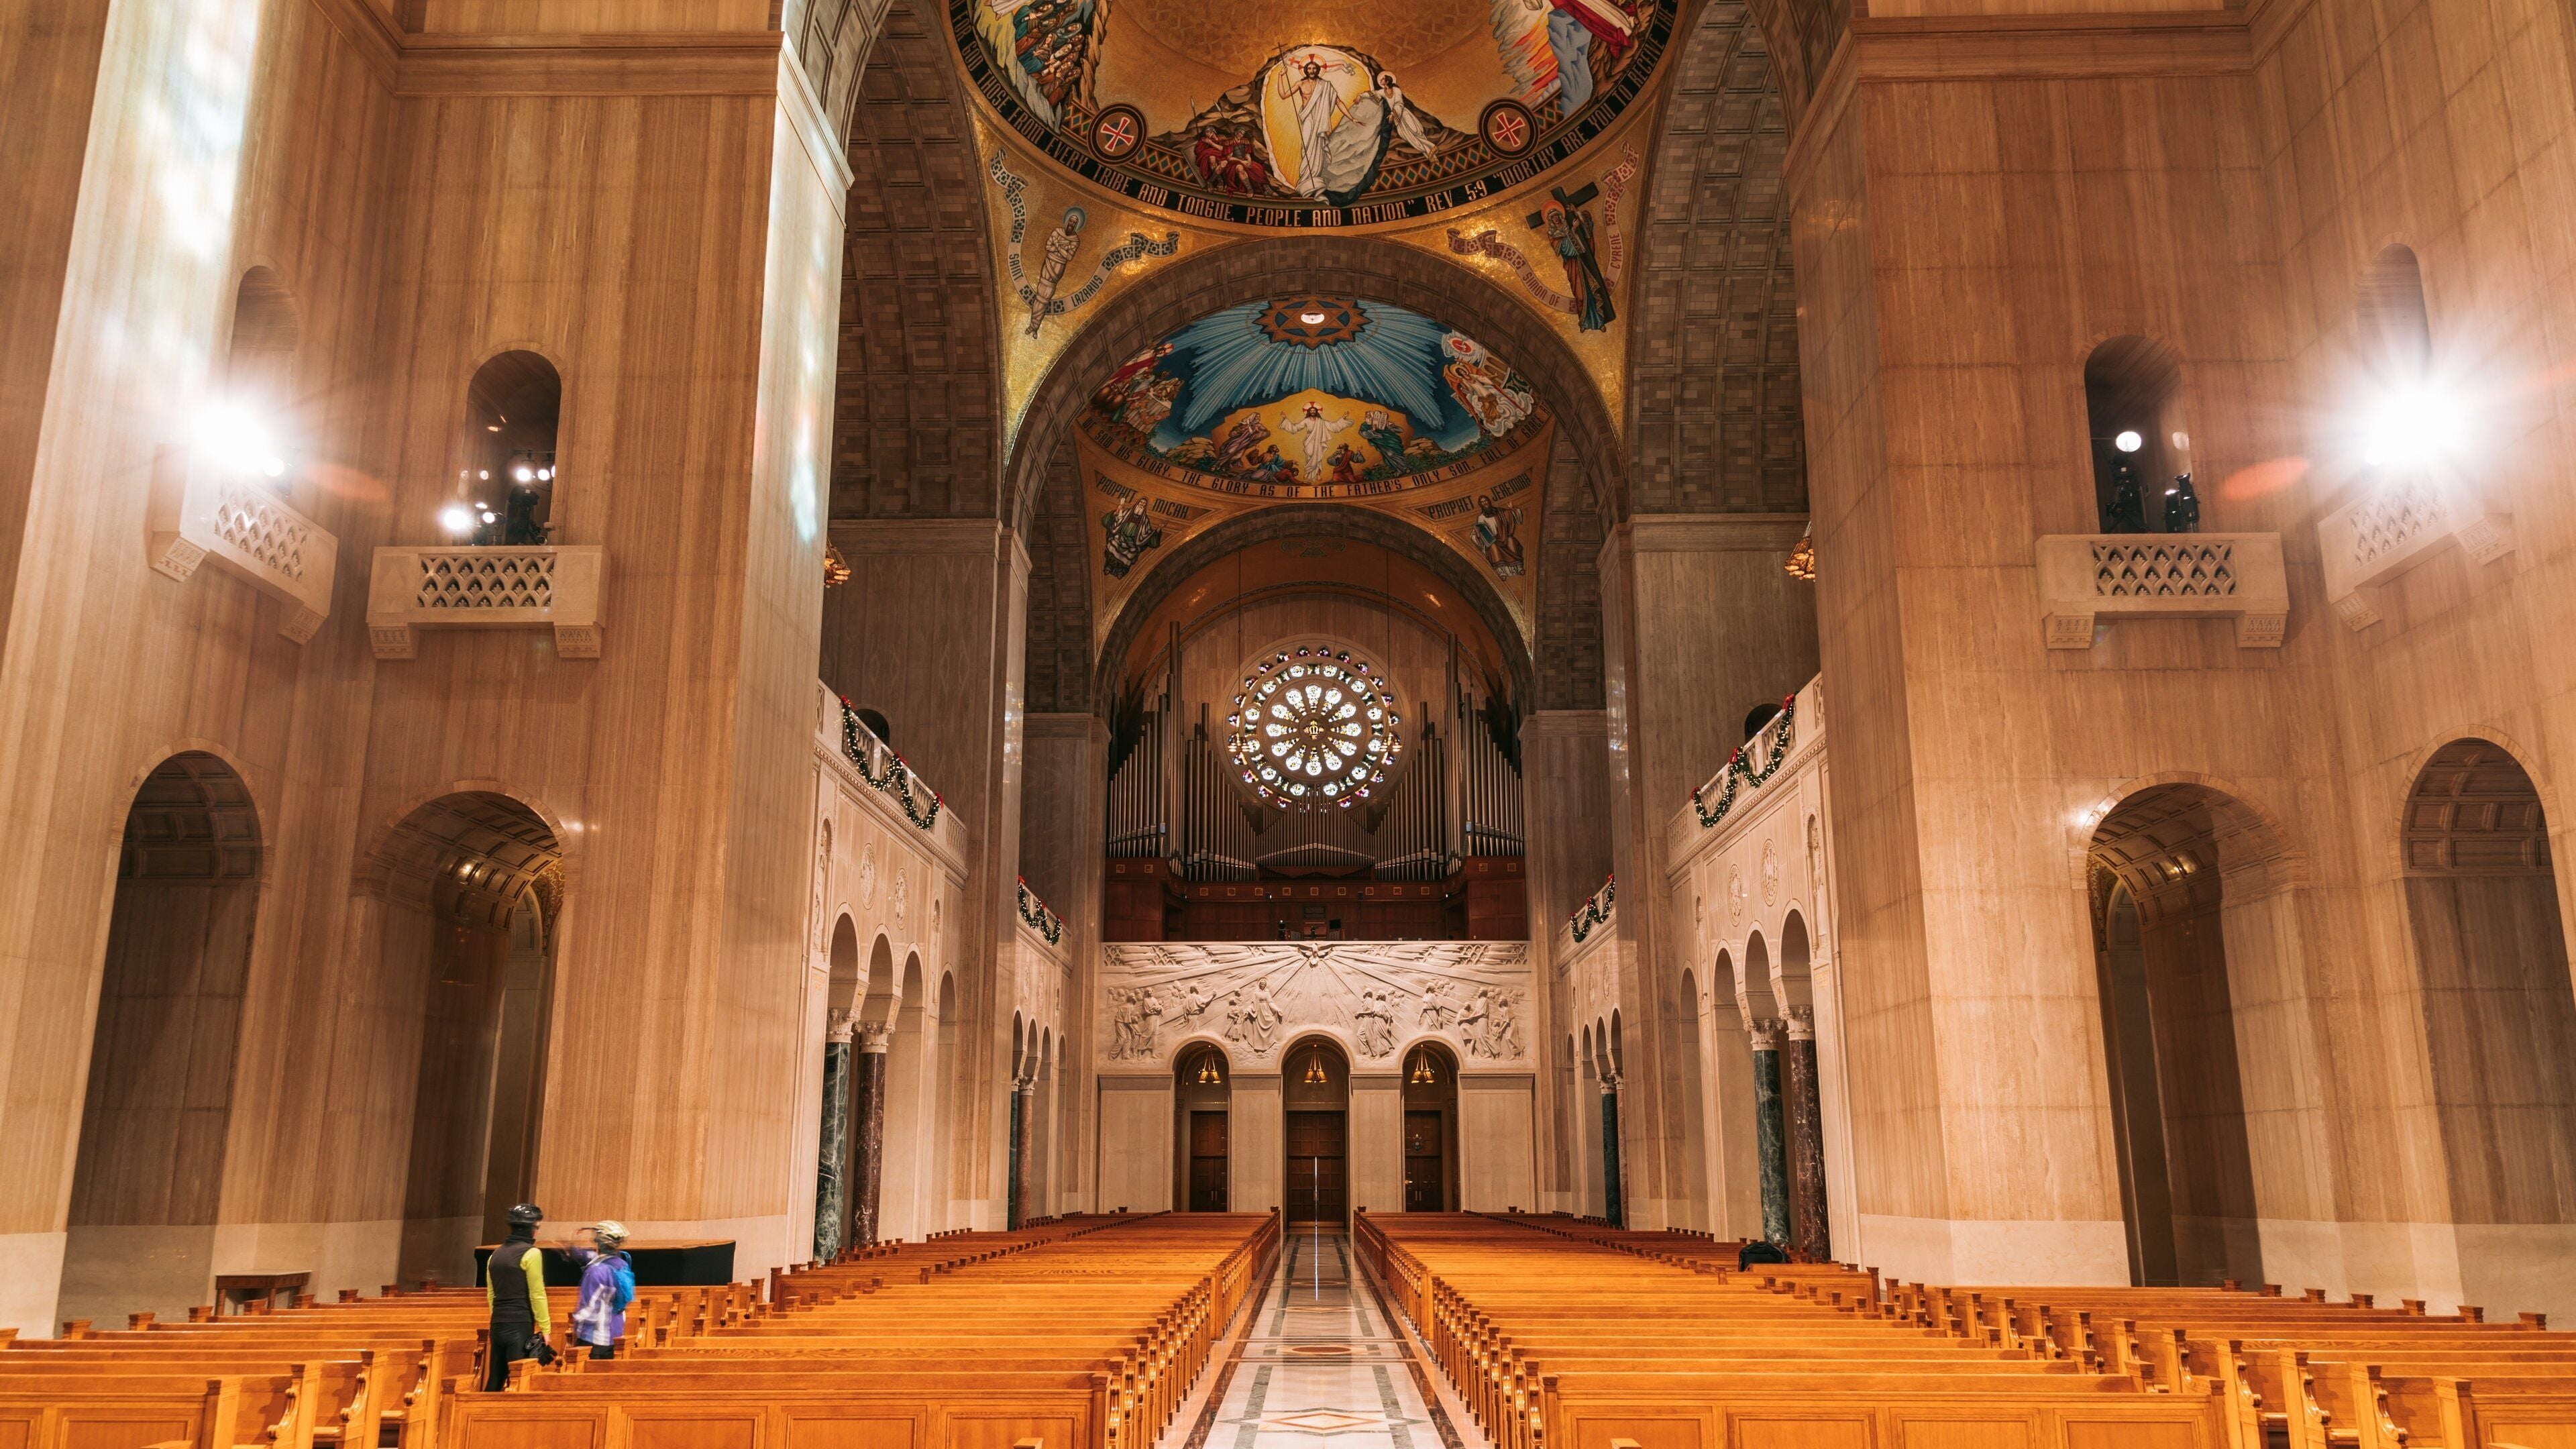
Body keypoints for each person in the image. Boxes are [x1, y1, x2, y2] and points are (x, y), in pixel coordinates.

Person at [485, 1201, 555, 1389]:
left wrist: (498, 1317)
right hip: (519, 1325)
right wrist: (546, 1329)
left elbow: (491, 1294)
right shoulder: (532, 1253)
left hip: (497, 1324)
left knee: (495, 1379)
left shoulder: (494, 1255)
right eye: (537, 1227)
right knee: (517, 1381)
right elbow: (537, 1294)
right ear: (531, 1228)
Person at [569, 1221, 637, 1359]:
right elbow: (591, 1257)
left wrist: (575, 1321)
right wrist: (572, 1250)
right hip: (615, 1334)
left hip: (593, 1339)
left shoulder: (597, 1271)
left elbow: (589, 1309)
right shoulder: (622, 1264)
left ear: (598, 1243)